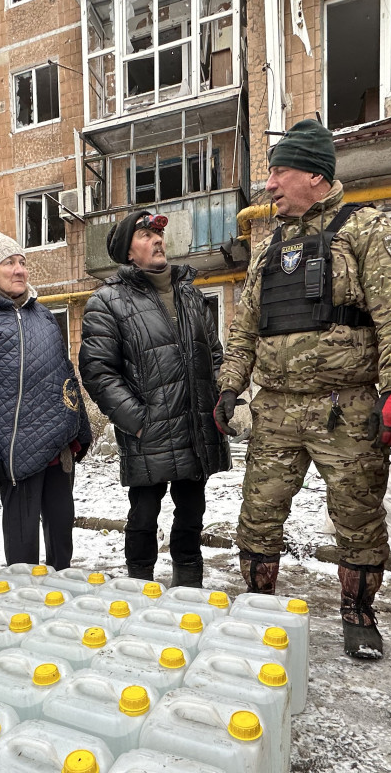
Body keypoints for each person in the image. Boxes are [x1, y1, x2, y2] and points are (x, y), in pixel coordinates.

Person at [214, 118, 391, 659]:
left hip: (346, 408)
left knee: (357, 516)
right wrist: (229, 387)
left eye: (278, 172)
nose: (269, 185)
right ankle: (259, 607)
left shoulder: (366, 229)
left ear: (314, 174)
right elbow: (244, 328)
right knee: (259, 514)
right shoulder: (269, 247)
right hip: (276, 409)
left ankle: (358, 614)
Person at [80, 210, 231, 586]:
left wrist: (217, 398)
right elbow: (99, 372)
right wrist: (138, 421)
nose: (157, 240)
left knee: (192, 512)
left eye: (158, 234)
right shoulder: (108, 301)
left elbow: (213, 353)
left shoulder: (191, 294)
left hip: (196, 427)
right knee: (144, 515)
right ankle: (138, 584)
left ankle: (188, 583)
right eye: (145, 235)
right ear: (128, 252)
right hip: (149, 430)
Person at [0, 228, 92, 569]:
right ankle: (23, 604)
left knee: (61, 531)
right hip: (15, 454)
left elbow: (65, 374)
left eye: (22, 262)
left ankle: (60, 596)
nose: (19, 269)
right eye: (9, 263)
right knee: (23, 549)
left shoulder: (39, 313)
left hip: (58, 446)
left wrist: (80, 428)